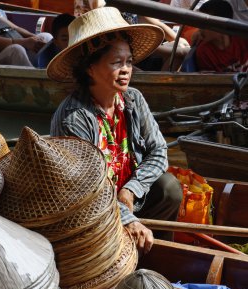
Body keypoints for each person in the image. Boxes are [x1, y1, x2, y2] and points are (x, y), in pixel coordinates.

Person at [47, 7, 183, 256]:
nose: (126, 70)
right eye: (116, 62)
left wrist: (131, 189)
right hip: (91, 207)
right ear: (90, 68)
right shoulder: (74, 117)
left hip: (127, 196)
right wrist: (126, 217)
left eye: (129, 62)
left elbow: (159, 150)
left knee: (169, 188)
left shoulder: (133, 99)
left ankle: (154, 255)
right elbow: (87, 188)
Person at [0, 0, 52, 66]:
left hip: (3, 51)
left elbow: (14, 27)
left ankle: (55, 76)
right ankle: (36, 84)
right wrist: (24, 42)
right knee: (15, 50)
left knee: (45, 36)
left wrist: (33, 38)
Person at [196, 0, 248, 72]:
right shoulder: (204, 52)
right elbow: (211, 81)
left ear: (221, 25)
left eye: (205, 24)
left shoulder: (242, 41)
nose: (200, 29)